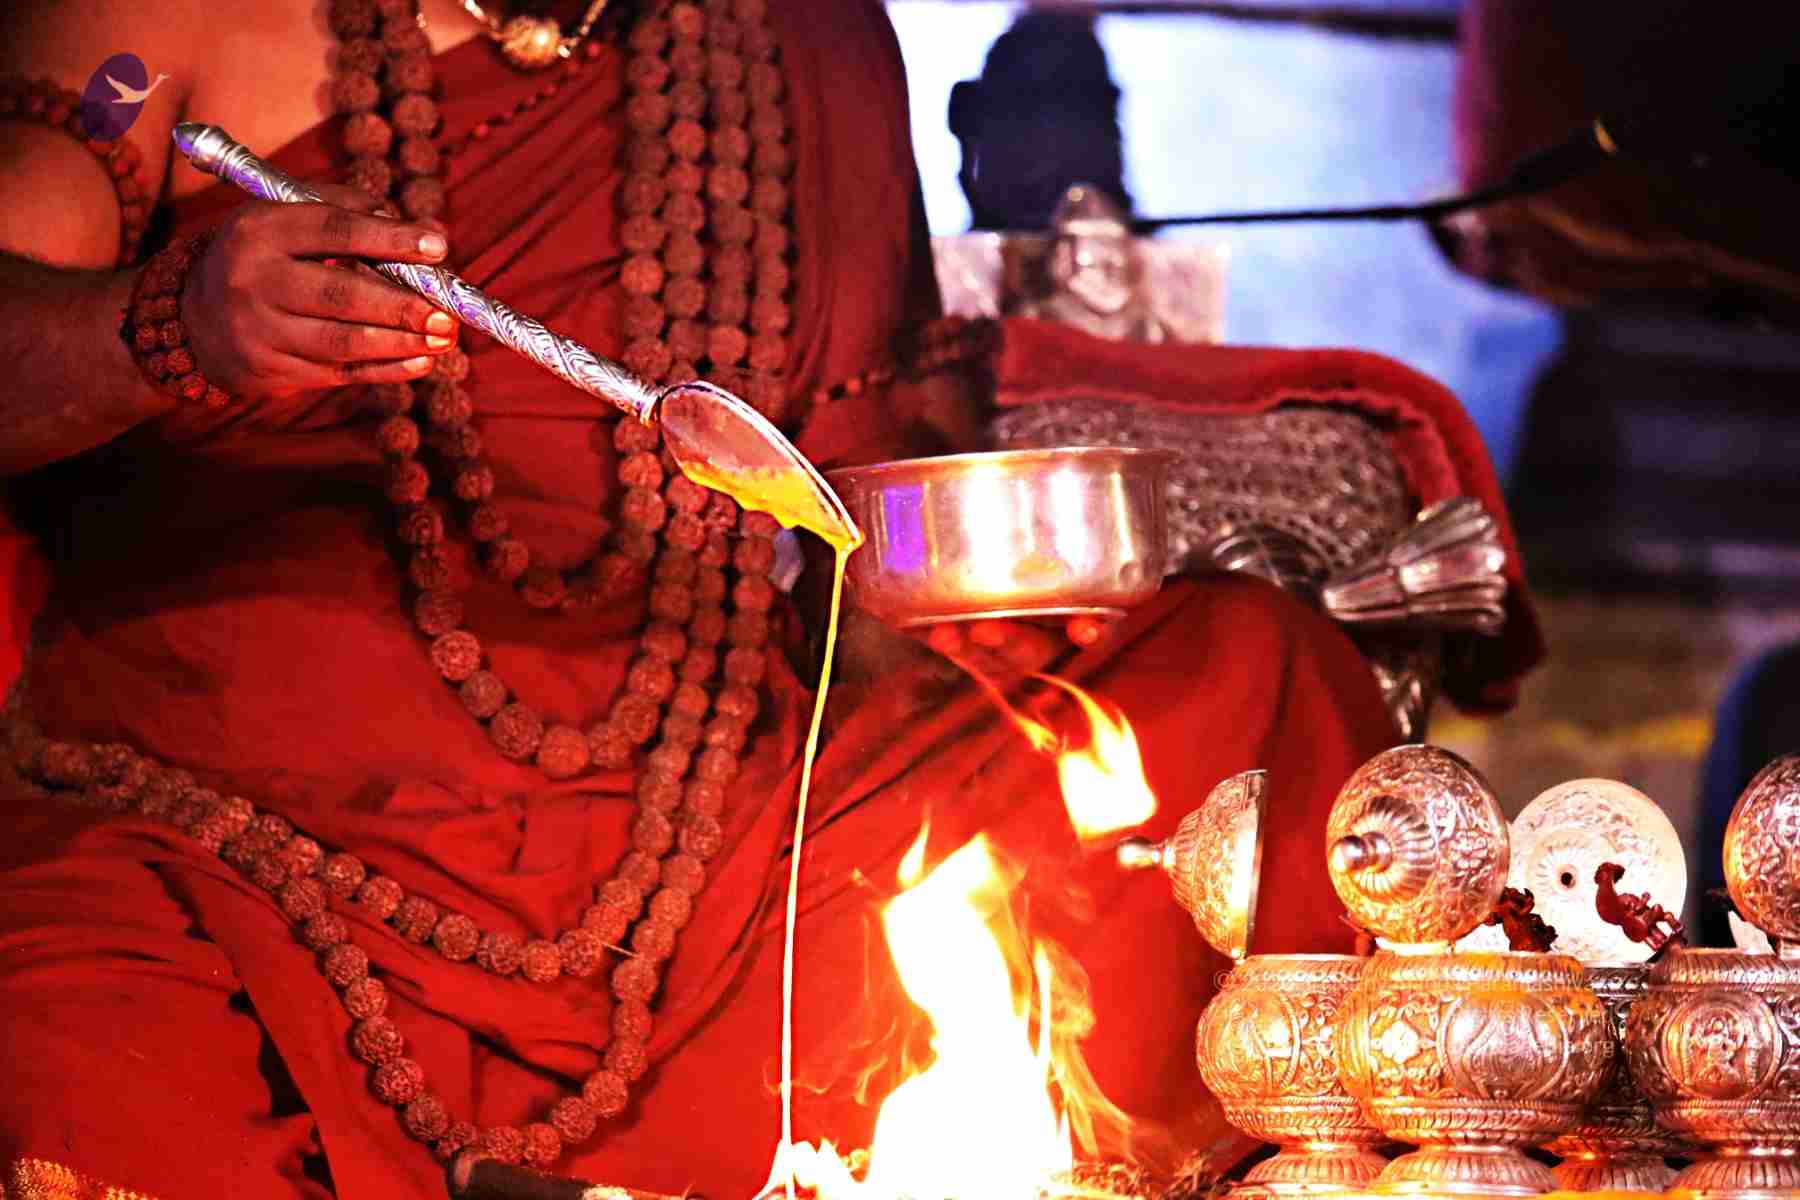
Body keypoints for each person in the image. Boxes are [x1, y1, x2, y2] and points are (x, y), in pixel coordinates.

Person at [0, 3, 1537, 1199]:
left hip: (718, 847)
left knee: (1242, 672)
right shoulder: (156, 22)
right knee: (73, 1045)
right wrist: (165, 325)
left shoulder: (799, 41)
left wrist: (986, 598)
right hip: (235, 833)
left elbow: (866, 485)